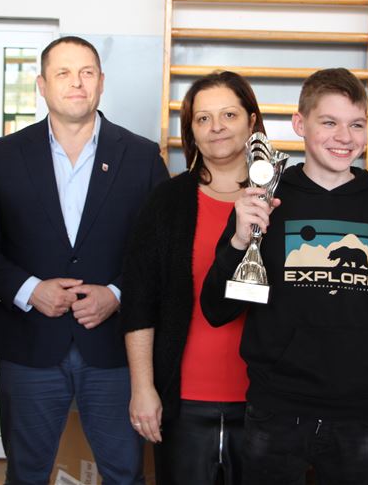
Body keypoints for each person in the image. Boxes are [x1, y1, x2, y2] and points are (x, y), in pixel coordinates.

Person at [200, 68, 368, 485]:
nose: (344, 137)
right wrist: (238, 241)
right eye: (329, 122)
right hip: (275, 410)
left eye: (356, 125)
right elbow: (216, 310)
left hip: (358, 415)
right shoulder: (265, 199)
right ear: (300, 124)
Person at [0, 36, 169, 485]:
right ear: (42, 85)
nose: (76, 83)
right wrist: (29, 290)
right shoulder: (3, 156)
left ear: (101, 82)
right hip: (28, 345)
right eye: (63, 73)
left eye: (86, 72)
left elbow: (162, 250)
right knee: (26, 474)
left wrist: (117, 294)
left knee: (125, 474)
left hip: (115, 348)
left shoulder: (142, 156)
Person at [122, 71, 265, 484]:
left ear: (251, 121)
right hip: (183, 400)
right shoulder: (167, 201)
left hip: (266, 402)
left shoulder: (280, 199)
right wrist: (143, 388)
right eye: (203, 118)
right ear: (191, 132)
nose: (216, 127)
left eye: (228, 115)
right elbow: (139, 302)